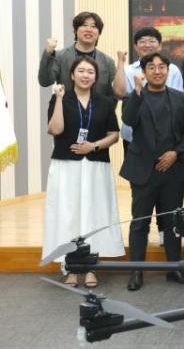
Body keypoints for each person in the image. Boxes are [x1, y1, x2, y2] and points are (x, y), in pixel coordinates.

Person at [43, 57, 123, 288]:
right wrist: (59, 98)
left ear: (95, 77)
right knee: (67, 215)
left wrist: (94, 145)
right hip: (66, 166)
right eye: (81, 71)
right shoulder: (60, 98)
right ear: (72, 75)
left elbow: (114, 134)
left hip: (96, 165)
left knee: (94, 215)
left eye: (90, 72)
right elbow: (55, 129)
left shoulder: (105, 102)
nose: (85, 75)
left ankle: (90, 267)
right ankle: (70, 267)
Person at [120, 52, 184, 291]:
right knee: (140, 223)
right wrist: (138, 91)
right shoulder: (132, 97)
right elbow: (129, 120)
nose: (157, 71)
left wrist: (176, 153)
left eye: (162, 67)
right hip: (143, 170)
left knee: (173, 222)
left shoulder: (180, 98)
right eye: (151, 67)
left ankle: (175, 269)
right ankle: (136, 271)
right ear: (143, 72)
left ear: (168, 71)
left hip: (173, 170)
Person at [113, 26, 184, 247]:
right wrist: (121, 64)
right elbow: (120, 94)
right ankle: (140, 240)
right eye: (142, 41)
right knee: (142, 191)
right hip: (136, 141)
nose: (147, 44)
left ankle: (165, 233)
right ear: (136, 46)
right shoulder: (129, 70)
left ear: (160, 45)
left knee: (168, 197)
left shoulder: (172, 70)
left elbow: (179, 103)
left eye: (152, 40)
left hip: (168, 142)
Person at [39, 11, 117, 104]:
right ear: (75, 30)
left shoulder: (108, 62)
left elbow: (115, 93)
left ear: (99, 33)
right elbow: (45, 82)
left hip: (98, 111)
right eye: (84, 25)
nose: (89, 29)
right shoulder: (60, 57)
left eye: (93, 26)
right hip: (66, 109)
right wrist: (48, 53)